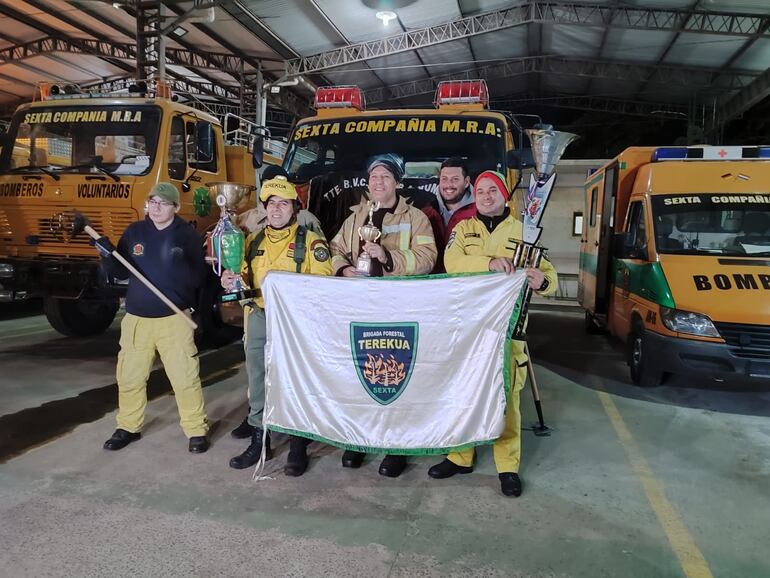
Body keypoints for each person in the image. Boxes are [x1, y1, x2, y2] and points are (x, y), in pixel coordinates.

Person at [427, 170, 558, 497]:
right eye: (481, 190)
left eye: (493, 190)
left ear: (504, 196)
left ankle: (507, 466)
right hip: (468, 331)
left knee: (508, 402)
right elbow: (452, 260)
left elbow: (549, 276)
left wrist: (542, 281)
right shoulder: (463, 228)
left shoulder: (524, 233)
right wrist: (489, 262)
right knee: (463, 395)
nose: (486, 196)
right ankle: (460, 456)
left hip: (508, 332)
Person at [330, 153, 438, 478]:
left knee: (395, 374)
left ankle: (396, 446)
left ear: (397, 182)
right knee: (360, 373)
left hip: (398, 308)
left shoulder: (416, 218)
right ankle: (361, 439)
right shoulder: (354, 218)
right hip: (361, 308)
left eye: (385, 177)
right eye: (374, 177)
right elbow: (334, 249)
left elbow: (428, 257)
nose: (378, 182)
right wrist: (344, 268)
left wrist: (388, 256)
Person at [223, 175, 332, 477]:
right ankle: (261, 441)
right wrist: (231, 279)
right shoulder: (252, 240)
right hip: (259, 317)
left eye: (283, 203)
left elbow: (322, 282)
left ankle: (298, 446)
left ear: (294, 208)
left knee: (294, 382)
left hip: (294, 323)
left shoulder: (311, 242)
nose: (276, 209)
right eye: (271, 203)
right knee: (258, 380)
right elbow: (241, 274)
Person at [98, 182, 210, 453]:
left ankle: (196, 430)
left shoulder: (187, 236)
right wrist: (105, 253)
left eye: (163, 202)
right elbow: (120, 270)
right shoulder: (135, 231)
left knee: (185, 378)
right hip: (137, 320)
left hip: (174, 319)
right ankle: (128, 426)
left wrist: (194, 303)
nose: (156, 207)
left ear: (175, 207)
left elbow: (202, 277)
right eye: (152, 202)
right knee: (130, 378)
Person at [437, 157, 475, 241]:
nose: (449, 185)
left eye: (455, 179)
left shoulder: (482, 210)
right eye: (444, 179)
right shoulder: (426, 209)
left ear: (466, 182)